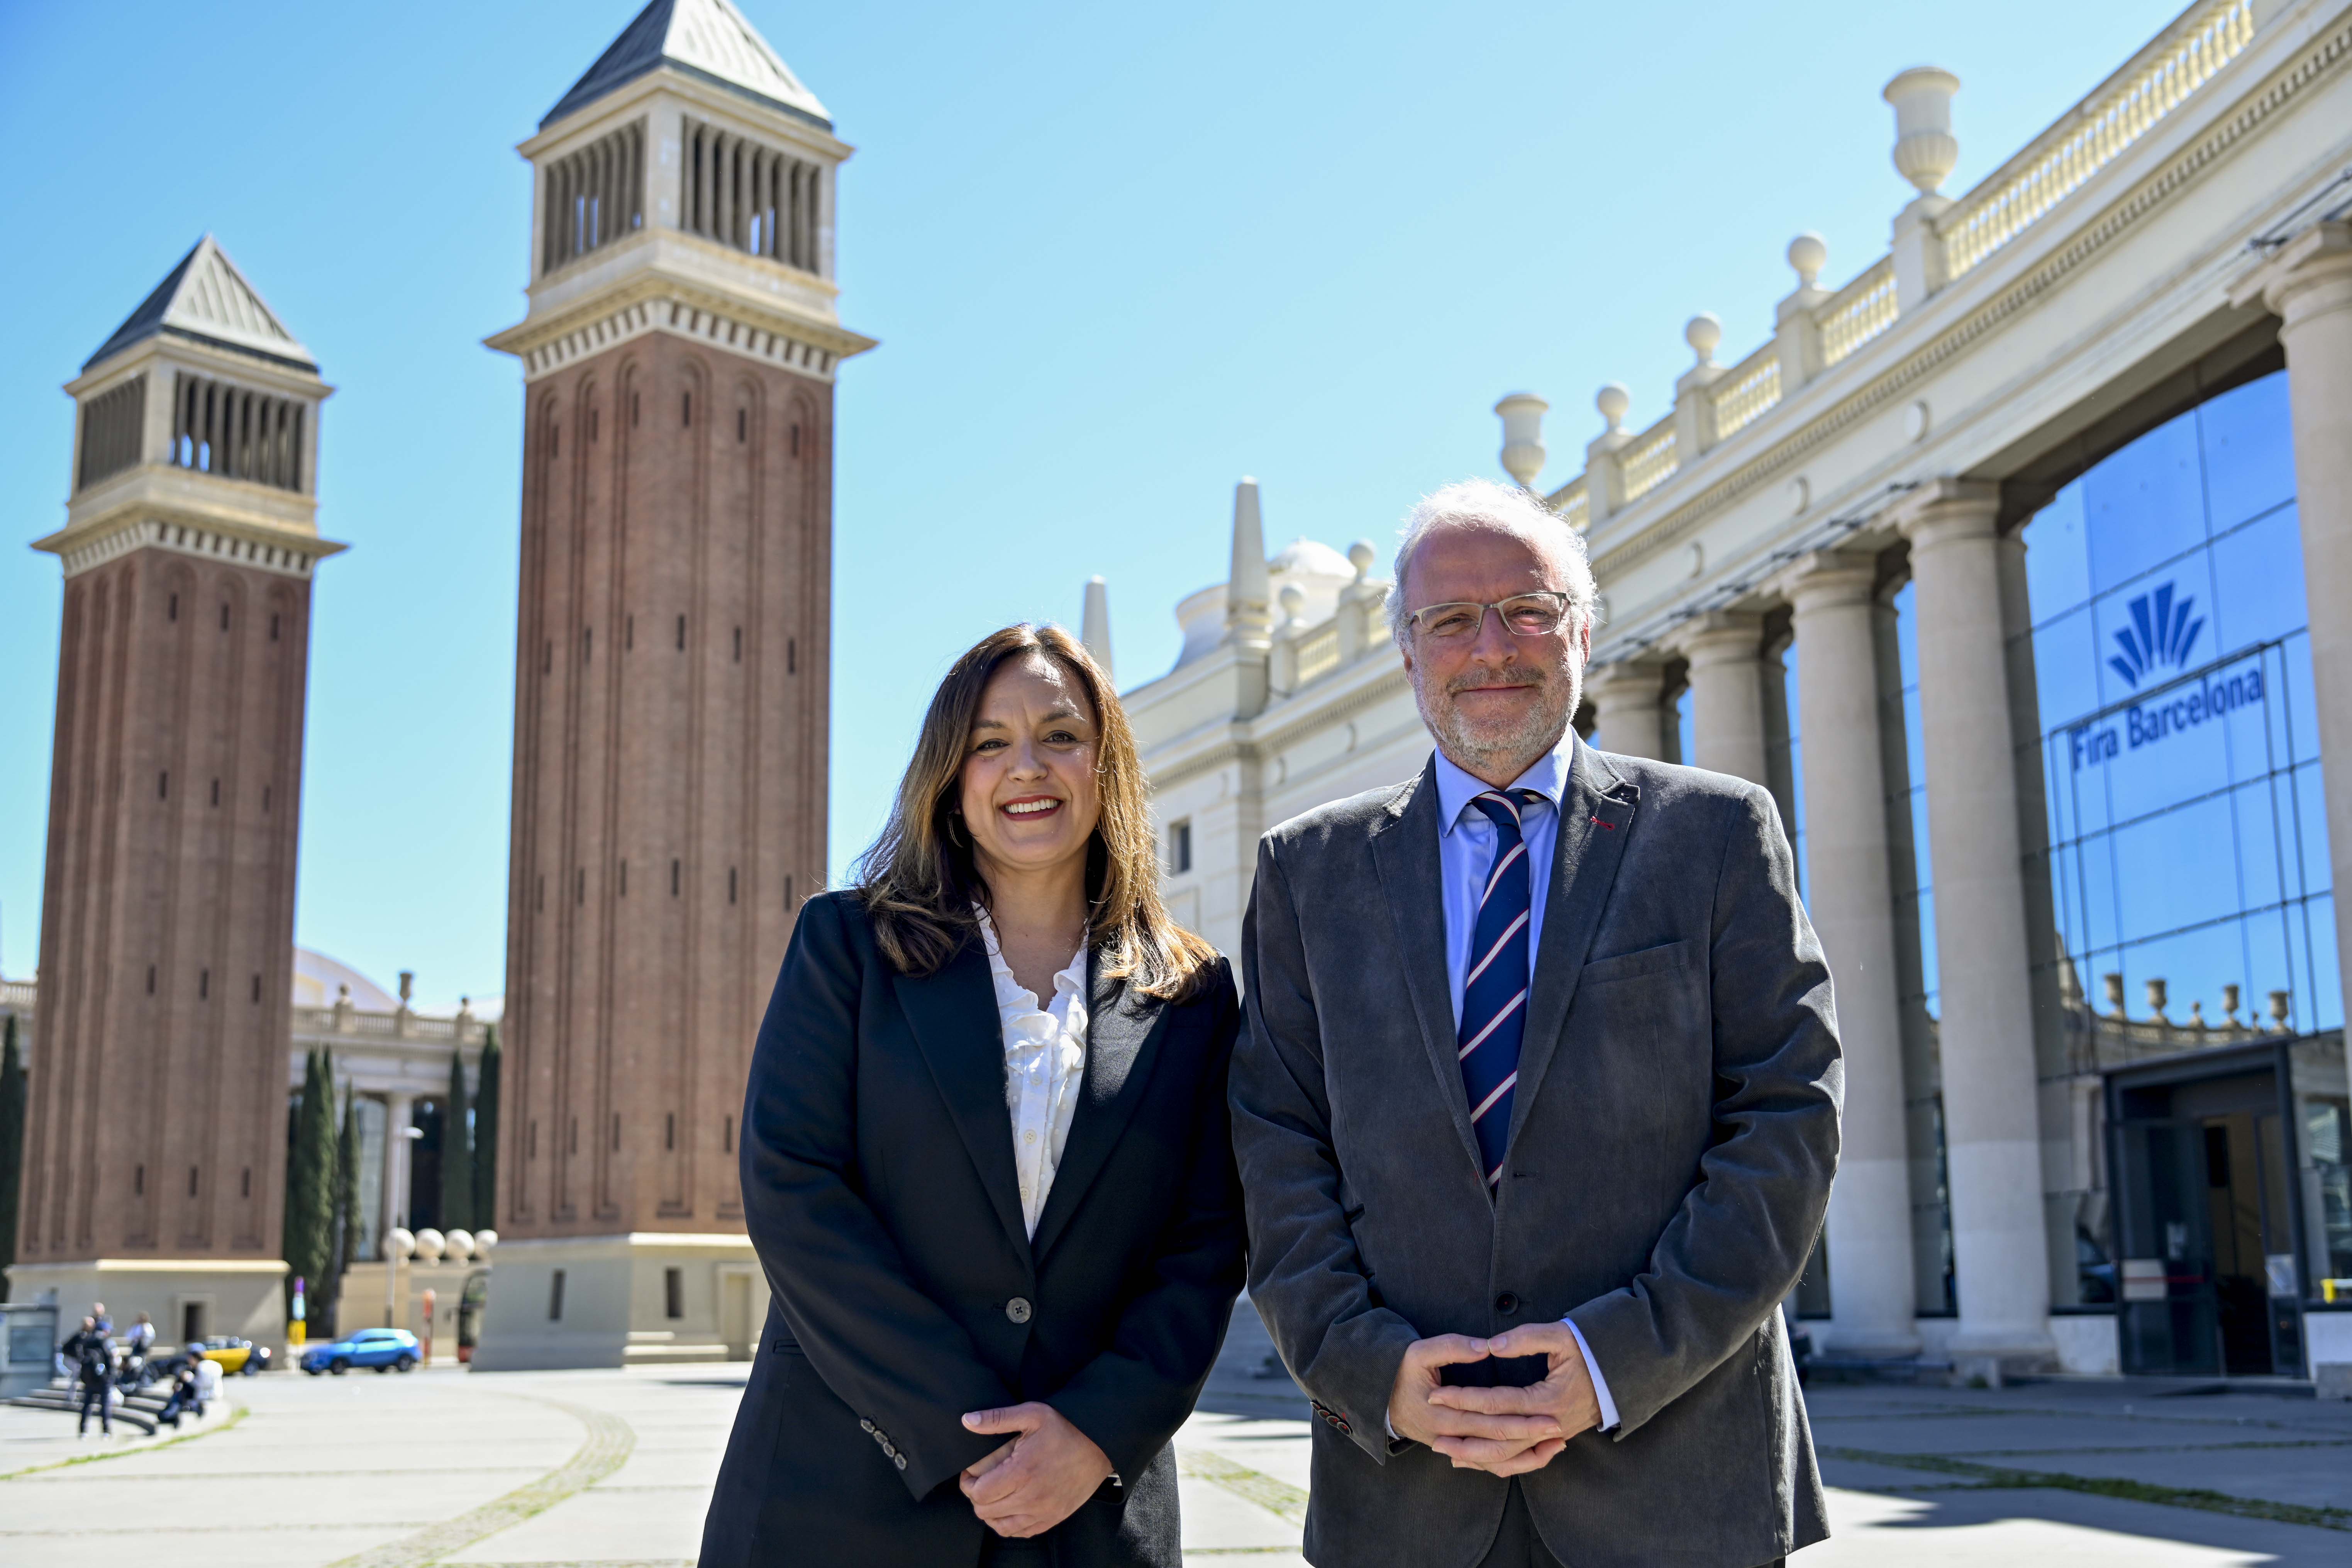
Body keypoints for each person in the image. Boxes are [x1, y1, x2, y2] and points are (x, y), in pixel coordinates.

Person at [1230, 480, 1842, 1568]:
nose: (1492, 646)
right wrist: (1374, 1369)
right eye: (1449, 619)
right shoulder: (1305, 873)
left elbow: (1786, 1121)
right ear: (1406, 655)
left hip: (1677, 1480)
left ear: (1582, 629)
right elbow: (1277, 1149)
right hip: (1404, 1492)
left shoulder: (1714, 833)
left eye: (1527, 607)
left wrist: (1613, 1359)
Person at [700, 624, 1246, 1568]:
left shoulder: (1193, 994)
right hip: (840, 1498)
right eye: (989, 743)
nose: (1025, 767)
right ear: (951, 777)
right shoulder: (848, 950)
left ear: (1106, 763)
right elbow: (795, 1192)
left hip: (1086, 1513)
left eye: (1060, 735)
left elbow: (1203, 1248)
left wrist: (1089, 1435)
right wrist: (964, 1432)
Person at [61, 1317, 113, 1437]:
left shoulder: (87, 1340)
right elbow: (108, 1358)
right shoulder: (90, 1339)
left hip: (92, 1378)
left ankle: (87, 1430)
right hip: (97, 1378)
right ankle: (103, 1431)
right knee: (100, 1405)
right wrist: (110, 1375)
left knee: (91, 1405)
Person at [156, 1358, 204, 1428]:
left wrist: (187, 1381)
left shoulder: (191, 1382)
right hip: (178, 1401)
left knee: (168, 1414)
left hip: (184, 1403)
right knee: (161, 1415)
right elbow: (174, 1388)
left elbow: (193, 1392)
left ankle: (175, 1419)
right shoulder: (180, 1380)